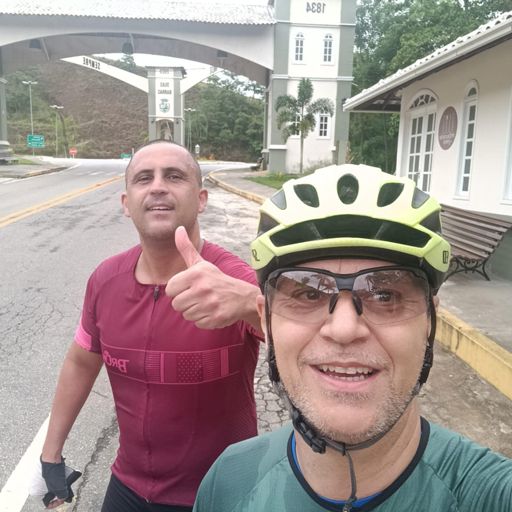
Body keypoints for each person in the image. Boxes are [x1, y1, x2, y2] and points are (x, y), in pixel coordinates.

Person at [193, 164, 512, 511]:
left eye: (385, 295)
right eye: (309, 293)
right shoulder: (228, 483)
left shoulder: (491, 496)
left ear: (429, 323)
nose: (344, 330)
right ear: (266, 322)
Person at [37, 140, 262, 511]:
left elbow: (305, 338)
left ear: (201, 199)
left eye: (174, 176)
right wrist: (51, 455)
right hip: (129, 486)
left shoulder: (232, 279)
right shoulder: (105, 280)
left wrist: (250, 302)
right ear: (127, 204)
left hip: (220, 493)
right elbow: (81, 362)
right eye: (144, 178)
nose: (158, 186)